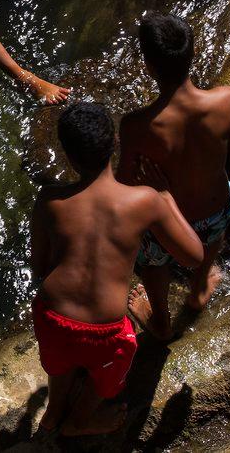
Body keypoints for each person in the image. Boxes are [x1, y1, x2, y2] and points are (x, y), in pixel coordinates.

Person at [30, 102, 204, 436]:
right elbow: (194, 255)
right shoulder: (144, 201)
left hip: (52, 316)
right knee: (105, 379)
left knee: (61, 363)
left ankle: (52, 413)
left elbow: (40, 265)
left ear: (67, 154)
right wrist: (166, 196)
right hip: (105, 333)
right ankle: (78, 422)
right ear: (114, 145)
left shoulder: (48, 199)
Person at [119, 12, 230, 340]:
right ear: (193, 53)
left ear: (148, 65)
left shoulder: (137, 126)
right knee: (218, 225)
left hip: (167, 228)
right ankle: (199, 287)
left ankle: (161, 322)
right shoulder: (226, 101)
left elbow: (122, 184)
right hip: (216, 211)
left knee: (153, 263)